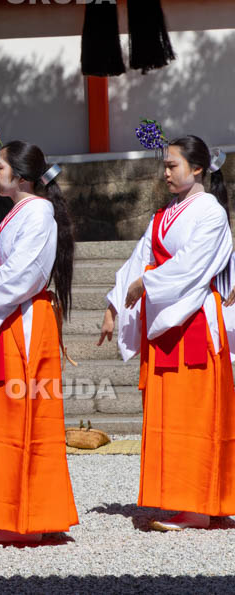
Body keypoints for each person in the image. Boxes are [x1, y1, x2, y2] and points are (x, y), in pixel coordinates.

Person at [100, 135, 235, 531]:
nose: (165, 173)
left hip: (192, 321)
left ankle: (198, 504)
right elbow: (138, 259)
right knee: (171, 417)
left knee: (196, 416)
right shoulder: (164, 214)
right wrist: (113, 304)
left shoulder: (210, 213)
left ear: (197, 169)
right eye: (165, 166)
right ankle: (188, 499)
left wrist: (149, 282)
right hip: (166, 325)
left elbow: (193, 265)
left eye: (172, 166)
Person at [0, 127, 79, 544]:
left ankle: (22, 516)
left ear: (22, 176)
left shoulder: (38, 213)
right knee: (7, 414)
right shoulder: (24, 212)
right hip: (12, 317)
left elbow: (26, 274)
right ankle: (10, 510)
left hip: (23, 320)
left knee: (20, 415)